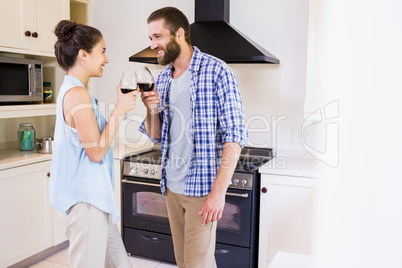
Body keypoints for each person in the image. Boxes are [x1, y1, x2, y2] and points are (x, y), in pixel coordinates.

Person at [139, 7, 248, 268]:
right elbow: (156, 136)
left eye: (158, 37)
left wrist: (218, 192)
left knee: (198, 263)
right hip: (172, 186)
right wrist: (150, 108)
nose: (153, 45)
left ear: (179, 33)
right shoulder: (163, 78)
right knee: (183, 261)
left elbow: (235, 136)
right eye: (151, 39)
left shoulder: (217, 71)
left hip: (202, 189)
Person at [49, 20, 137, 268]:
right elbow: (96, 152)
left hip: (95, 200)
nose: (106, 59)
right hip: (85, 203)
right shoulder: (77, 94)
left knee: (121, 265)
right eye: (103, 51)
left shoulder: (77, 91)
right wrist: (119, 111)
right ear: (84, 54)